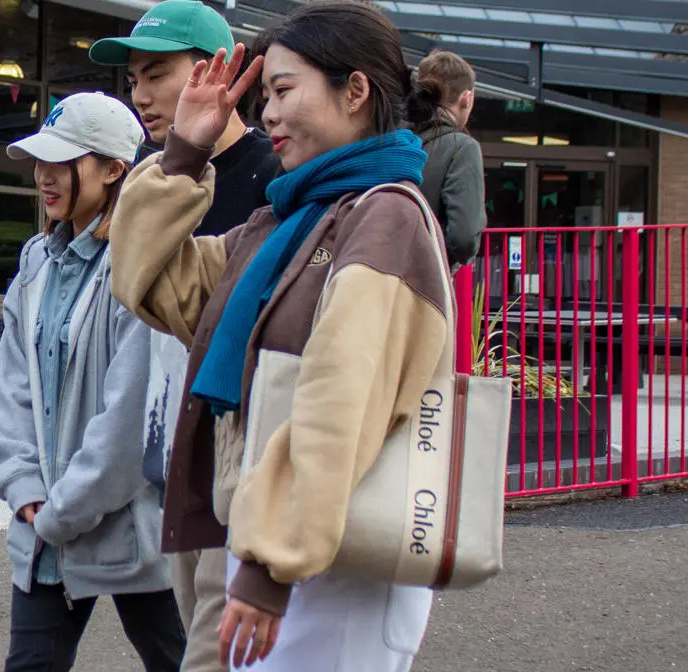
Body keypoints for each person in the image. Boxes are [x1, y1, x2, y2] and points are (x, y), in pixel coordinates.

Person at [108, 3, 451, 671]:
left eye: (284, 91)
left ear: (355, 92)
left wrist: (269, 572)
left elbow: (338, 404)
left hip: (324, 566)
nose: (266, 114)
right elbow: (147, 281)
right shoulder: (293, 219)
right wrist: (182, 154)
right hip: (281, 548)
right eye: (264, 96)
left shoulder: (385, 218)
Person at [88, 5, 282, 669]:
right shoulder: (161, 170)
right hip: (175, 461)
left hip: (241, 461)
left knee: (210, 653)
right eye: (133, 78)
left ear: (216, 70)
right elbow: (133, 283)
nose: (139, 94)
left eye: (156, 73)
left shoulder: (273, 176)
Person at [0, 92, 186, 672]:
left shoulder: (140, 265)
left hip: (128, 524)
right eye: (38, 161)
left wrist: (63, 510)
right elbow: (12, 383)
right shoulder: (36, 261)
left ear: (113, 169)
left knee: (179, 659)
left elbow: (131, 417)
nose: (42, 177)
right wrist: (22, 483)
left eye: (61, 162)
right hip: (44, 525)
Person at [409, 50, 487, 269]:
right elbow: (464, 238)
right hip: (424, 279)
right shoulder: (461, 148)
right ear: (467, 98)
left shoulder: (389, 137)